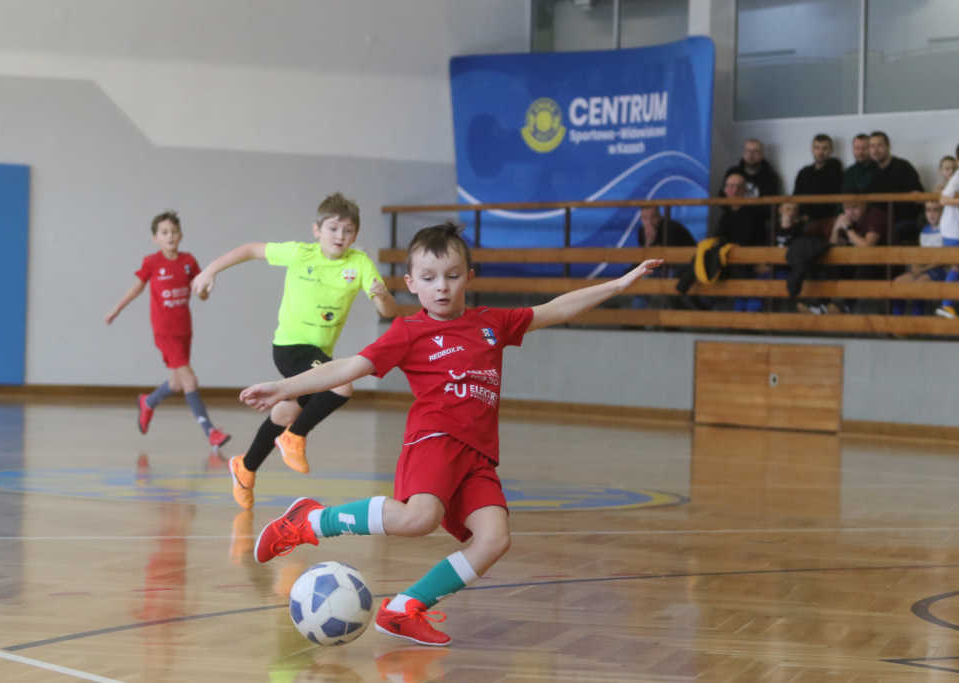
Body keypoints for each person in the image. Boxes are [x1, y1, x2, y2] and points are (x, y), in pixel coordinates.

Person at [239, 221, 662, 646]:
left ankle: (404, 608)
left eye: (452, 275)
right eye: (428, 278)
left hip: (479, 455)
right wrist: (284, 388)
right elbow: (349, 367)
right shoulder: (408, 331)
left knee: (494, 539)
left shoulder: (492, 323)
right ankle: (310, 521)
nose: (441, 286)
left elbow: (557, 309)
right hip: (435, 437)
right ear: (411, 283)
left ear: (469, 277)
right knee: (420, 517)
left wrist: (618, 284)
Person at [190, 192, 398, 509]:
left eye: (347, 230)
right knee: (342, 384)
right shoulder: (300, 253)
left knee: (285, 412)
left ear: (355, 235)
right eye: (332, 228)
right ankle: (294, 437)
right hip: (290, 347)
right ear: (317, 230)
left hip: (318, 353)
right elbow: (251, 249)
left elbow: (389, 311)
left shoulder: (359, 264)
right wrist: (210, 271)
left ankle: (245, 467)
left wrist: (382, 297)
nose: (339, 236)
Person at [105, 211, 230, 448]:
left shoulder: (188, 261)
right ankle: (211, 431)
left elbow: (201, 292)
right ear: (156, 238)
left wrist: (204, 291)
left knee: (177, 383)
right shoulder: (152, 262)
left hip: (184, 328)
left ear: (180, 235)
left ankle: (148, 402)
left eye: (174, 231)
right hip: (164, 330)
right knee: (190, 380)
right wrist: (116, 309)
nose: (170, 236)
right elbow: (137, 287)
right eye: (164, 232)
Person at [799, 200, 888, 314]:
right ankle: (823, 305)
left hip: (882, 265)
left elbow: (866, 247)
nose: (851, 212)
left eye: (855, 207)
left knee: (861, 267)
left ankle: (846, 308)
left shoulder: (875, 216)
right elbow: (833, 247)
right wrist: (835, 230)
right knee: (829, 262)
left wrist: (849, 229)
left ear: (864, 205)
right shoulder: (846, 219)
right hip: (856, 262)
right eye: (847, 208)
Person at [717, 172, 768, 312]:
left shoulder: (755, 214)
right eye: (731, 186)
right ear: (725, 190)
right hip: (733, 264)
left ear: (745, 189)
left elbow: (763, 241)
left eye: (739, 186)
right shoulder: (724, 217)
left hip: (752, 264)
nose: (734, 190)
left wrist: (763, 262)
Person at [865, 131, 924, 245]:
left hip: (905, 221)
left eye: (879, 145)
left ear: (888, 147)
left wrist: (886, 222)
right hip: (881, 222)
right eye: (872, 146)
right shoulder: (872, 172)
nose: (875, 150)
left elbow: (916, 199)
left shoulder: (903, 167)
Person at [633, 205, 695, 310]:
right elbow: (645, 259)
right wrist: (649, 242)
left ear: (660, 216)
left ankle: (670, 315)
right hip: (660, 267)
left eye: (653, 217)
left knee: (670, 276)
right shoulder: (642, 231)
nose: (650, 222)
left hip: (684, 266)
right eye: (645, 218)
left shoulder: (671, 228)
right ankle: (636, 316)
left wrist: (657, 253)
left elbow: (673, 260)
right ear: (641, 219)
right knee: (642, 277)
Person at [892, 201, 945, 316]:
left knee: (919, 284)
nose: (932, 214)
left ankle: (918, 320)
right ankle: (897, 321)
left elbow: (943, 259)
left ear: (942, 211)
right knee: (897, 283)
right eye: (928, 210)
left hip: (939, 270)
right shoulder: (924, 231)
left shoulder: (946, 230)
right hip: (924, 269)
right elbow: (921, 254)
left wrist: (923, 268)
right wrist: (915, 266)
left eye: (936, 210)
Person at [719, 138, 780, 224]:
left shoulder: (770, 176)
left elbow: (770, 205)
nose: (751, 155)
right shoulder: (733, 172)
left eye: (756, 152)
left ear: (762, 155)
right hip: (732, 219)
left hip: (758, 223)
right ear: (743, 153)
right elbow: (723, 196)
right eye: (748, 151)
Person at [936, 143, 959, 318]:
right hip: (953, 231)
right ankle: (946, 304)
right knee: (957, 265)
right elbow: (943, 200)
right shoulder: (957, 179)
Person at [793, 134, 844, 222]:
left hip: (823, 219)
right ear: (812, 150)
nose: (820, 152)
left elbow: (832, 203)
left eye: (824, 148)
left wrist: (809, 217)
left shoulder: (837, 174)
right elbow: (795, 197)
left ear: (831, 150)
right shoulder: (803, 173)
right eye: (817, 148)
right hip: (799, 216)